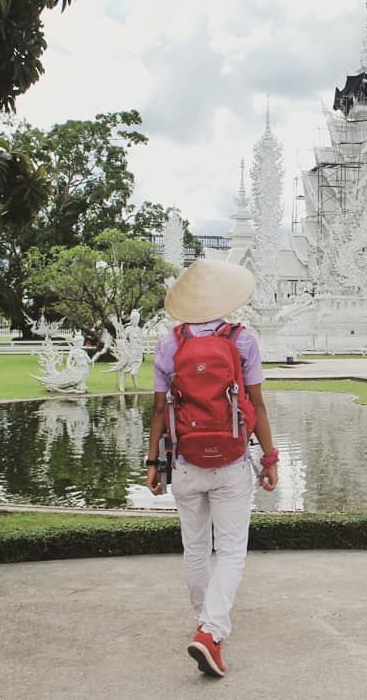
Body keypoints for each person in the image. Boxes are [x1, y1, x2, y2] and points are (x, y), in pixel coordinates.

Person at [145, 259, 278, 678]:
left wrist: (152, 462)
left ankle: (206, 624)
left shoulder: (170, 344)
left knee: (196, 548)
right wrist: (270, 457)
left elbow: (158, 412)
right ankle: (210, 631)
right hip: (232, 460)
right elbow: (256, 405)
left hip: (185, 461)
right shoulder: (242, 341)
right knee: (232, 550)